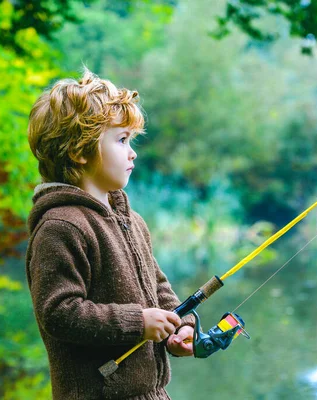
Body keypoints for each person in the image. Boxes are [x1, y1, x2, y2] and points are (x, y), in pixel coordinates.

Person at [25, 68, 195, 400]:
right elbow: (59, 312)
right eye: (121, 140)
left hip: (152, 393)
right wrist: (138, 322)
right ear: (79, 151)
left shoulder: (132, 220)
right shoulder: (61, 227)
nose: (132, 152)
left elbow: (157, 286)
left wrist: (180, 325)